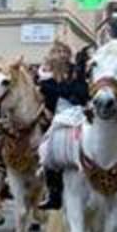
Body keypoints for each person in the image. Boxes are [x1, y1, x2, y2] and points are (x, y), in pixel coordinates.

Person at [36, 41, 87, 210]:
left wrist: (59, 89)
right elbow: (41, 94)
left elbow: (80, 92)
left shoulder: (76, 71)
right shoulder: (43, 73)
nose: (60, 54)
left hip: (75, 114)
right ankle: (54, 191)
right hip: (51, 116)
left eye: (64, 51)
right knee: (47, 149)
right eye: (56, 51)